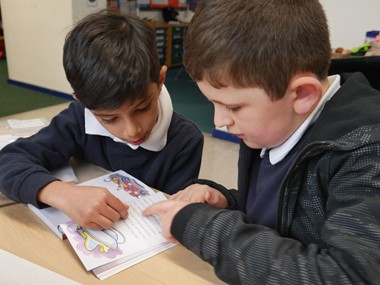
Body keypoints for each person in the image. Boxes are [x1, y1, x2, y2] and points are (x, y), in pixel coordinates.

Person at [143, 0, 380, 284]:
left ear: (303, 94)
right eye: (214, 104)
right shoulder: (275, 123)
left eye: (234, 107)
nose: (220, 121)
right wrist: (227, 201)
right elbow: (281, 210)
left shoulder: (366, 152)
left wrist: (202, 226)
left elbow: (348, 276)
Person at [0, 10, 203, 230]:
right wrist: (61, 194)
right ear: (82, 102)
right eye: (109, 118)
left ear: (160, 80)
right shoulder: (77, 120)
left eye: (143, 108)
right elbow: (8, 161)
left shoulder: (185, 141)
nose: (132, 130)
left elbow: (176, 215)